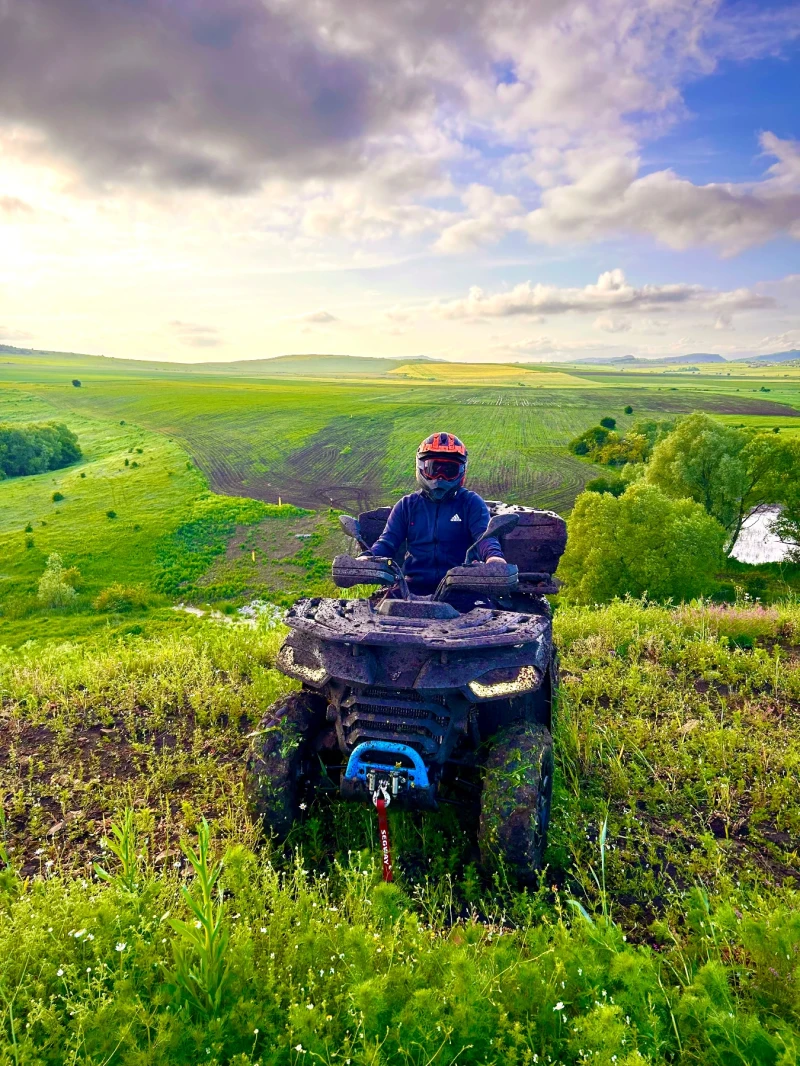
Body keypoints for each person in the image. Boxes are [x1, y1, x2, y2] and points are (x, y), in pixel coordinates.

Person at [360, 432, 507, 595]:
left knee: (486, 616)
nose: (440, 477)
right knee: (376, 611)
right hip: (411, 586)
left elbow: (484, 538)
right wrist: (368, 557)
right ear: (421, 468)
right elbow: (387, 542)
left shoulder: (471, 503)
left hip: (462, 586)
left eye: (449, 470)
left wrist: (494, 558)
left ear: (461, 471)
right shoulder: (407, 505)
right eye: (433, 469)